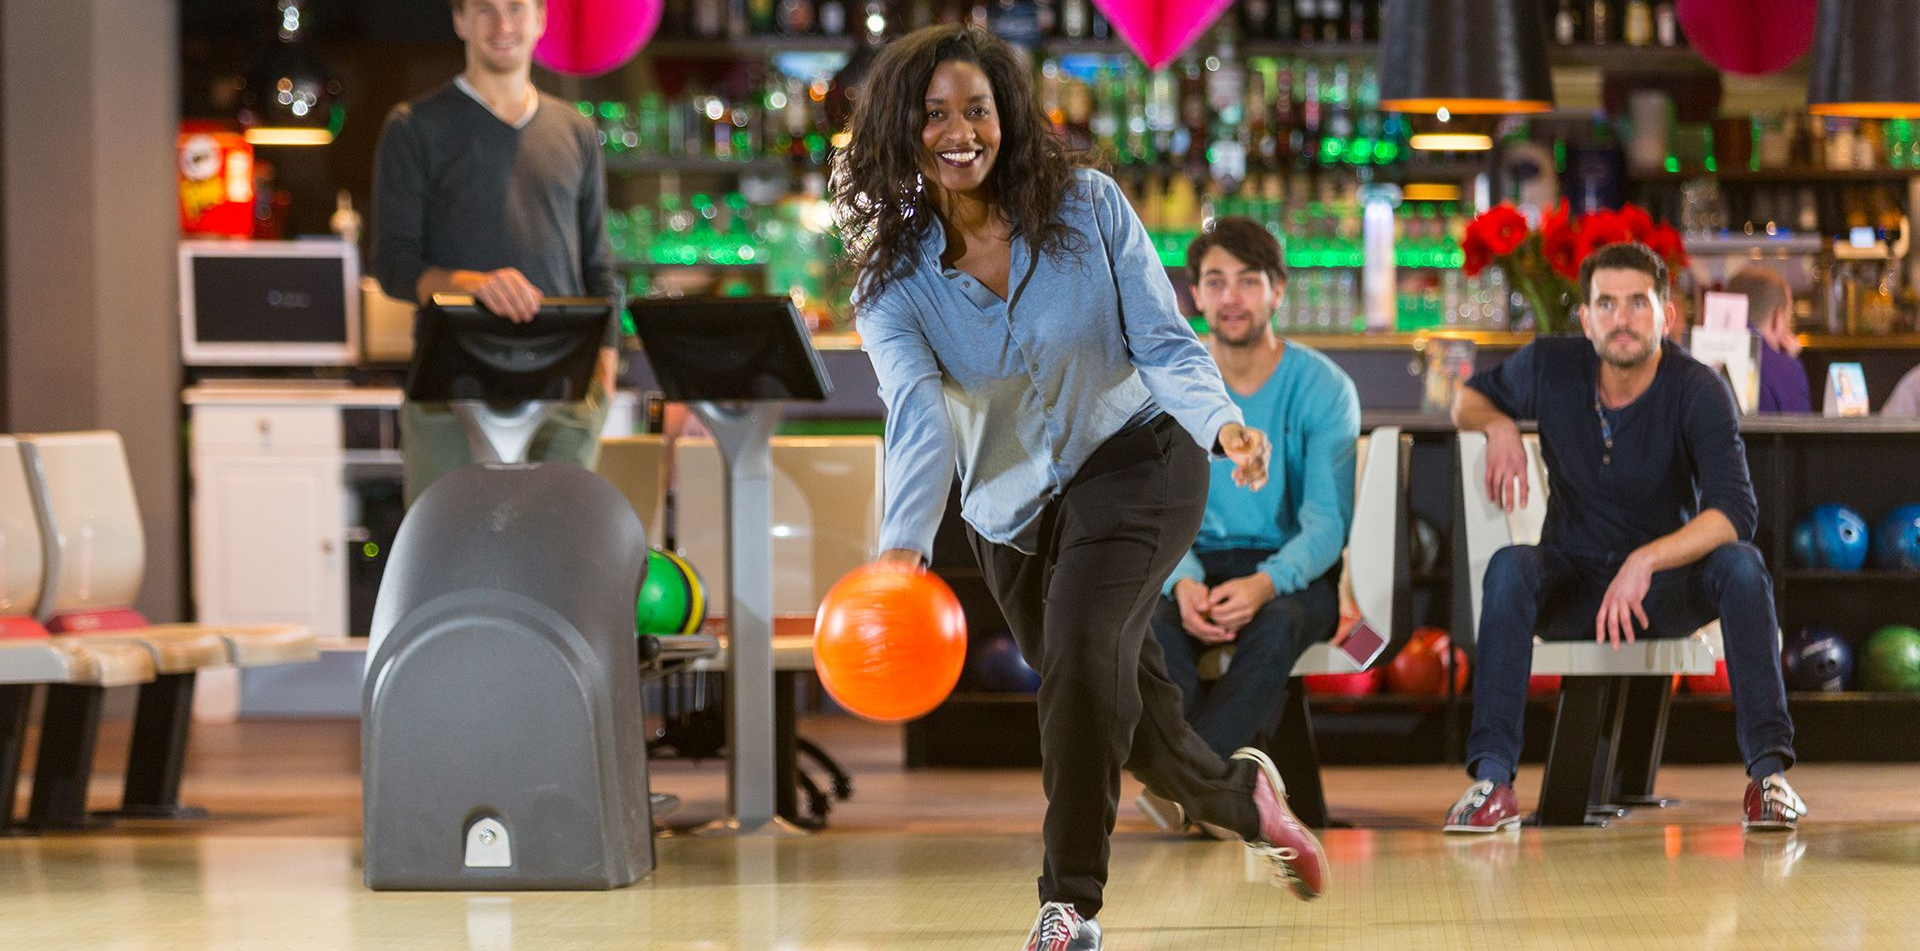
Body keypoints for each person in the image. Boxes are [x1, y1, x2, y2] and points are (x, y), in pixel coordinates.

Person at [835, 25, 1326, 951]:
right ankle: (1243, 798)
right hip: (1010, 513)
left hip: (1138, 458)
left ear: (1007, 117)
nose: (959, 130)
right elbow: (916, 414)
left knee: (1079, 651)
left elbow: (1164, 342)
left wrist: (1224, 426)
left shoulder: (1088, 206)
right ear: (904, 130)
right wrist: (901, 547)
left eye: (976, 109)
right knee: (1109, 699)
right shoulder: (892, 282)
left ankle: (1069, 905)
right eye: (934, 114)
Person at [1445, 241, 1805, 835]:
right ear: (1585, 318)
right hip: (1576, 581)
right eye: (1606, 304)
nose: (1622, 318)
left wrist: (1647, 559)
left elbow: (1735, 511)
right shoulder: (1550, 366)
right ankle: (1492, 783)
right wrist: (1500, 422)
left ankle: (1768, 778)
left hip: (1663, 592)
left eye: (1638, 302)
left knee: (1742, 565)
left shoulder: (1698, 388)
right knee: (1509, 567)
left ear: (1665, 314)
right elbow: (1466, 399)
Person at [1139, 218, 1360, 832]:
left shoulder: (1323, 387)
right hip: (1193, 563)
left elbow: (1324, 523)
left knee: (1279, 626)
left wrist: (1266, 583)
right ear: (1196, 296)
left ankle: (1186, 788)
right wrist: (1182, 580)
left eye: (1248, 281)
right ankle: (1215, 793)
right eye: (1216, 282)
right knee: (1152, 630)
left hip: (1291, 571)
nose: (1232, 297)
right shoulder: (1170, 388)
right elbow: (1154, 508)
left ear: (1278, 291)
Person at [371, 0, 622, 504]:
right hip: (451, 391)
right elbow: (392, 266)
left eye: (516, 9)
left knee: (555, 558)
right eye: (485, 10)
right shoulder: (413, 126)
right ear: (460, 21)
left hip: (563, 387)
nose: (503, 25)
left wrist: (607, 364)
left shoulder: (574, 130)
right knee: (448, 559)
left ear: (541, 20)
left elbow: (598, 262)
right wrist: (469, 283)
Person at [1725, 268, 1811, 414]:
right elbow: (1801, 434)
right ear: (1778, 319)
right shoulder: (1787, 371)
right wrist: (1786, 363)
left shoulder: (1698, 355)